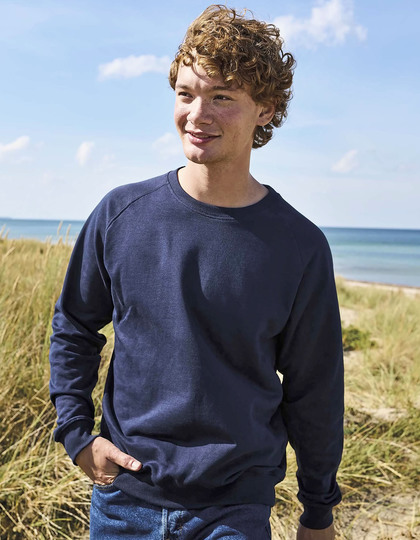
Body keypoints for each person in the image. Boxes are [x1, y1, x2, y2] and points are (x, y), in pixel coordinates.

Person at [49, 5, 344, 539]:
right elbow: (74, 324)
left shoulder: (299, 246)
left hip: (235, 509)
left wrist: (318, 509)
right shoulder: (121, 214)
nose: (197, 114)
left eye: (222, 97)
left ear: (266, 110)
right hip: (123, 502)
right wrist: (76, 435)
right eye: (186, 94)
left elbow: (315, 388)